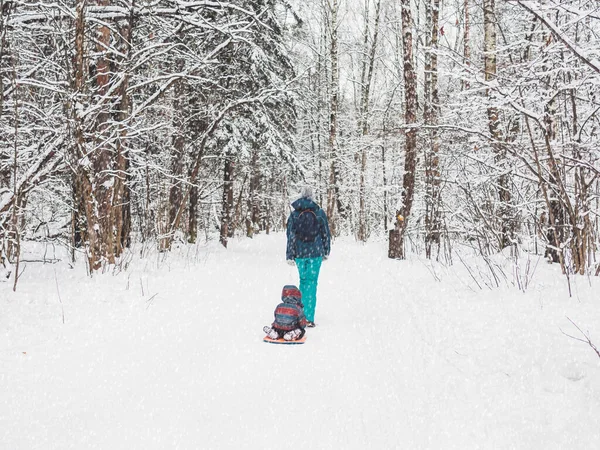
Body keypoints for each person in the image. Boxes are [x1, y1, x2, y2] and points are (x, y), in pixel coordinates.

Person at [285, 186, 331, 327]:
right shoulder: (318, 212)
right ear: (312, 196)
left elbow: (290, 235)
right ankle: (308, 317)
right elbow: (326, 233)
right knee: (312, 283)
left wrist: (290, 254)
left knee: (303, 281)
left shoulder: (294, 214)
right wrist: (326, 251)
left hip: (300, 253)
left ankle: (300, 313)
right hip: (315, 253)